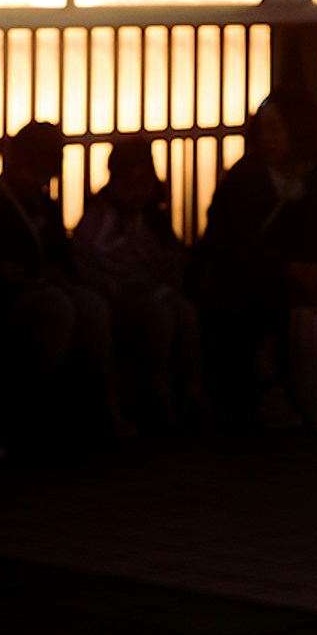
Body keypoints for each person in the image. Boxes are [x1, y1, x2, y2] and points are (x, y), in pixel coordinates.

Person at [194, 86, 317, 429]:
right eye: (262, 130)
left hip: (316, 276)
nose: (268, 139)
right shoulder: (242, 180)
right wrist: (288, 267)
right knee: (246, 306)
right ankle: (266, 391)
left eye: (277, 129)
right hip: (255, 277)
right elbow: (226, 243)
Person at [0, 119, 122, 441]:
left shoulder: (41, 201)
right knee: (59, 308)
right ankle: (39, 407)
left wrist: (55, 273)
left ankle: (99, 408)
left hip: (42, 290)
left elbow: (61, 256)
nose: (40, 179)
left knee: (91, 304)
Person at [73, 134, 206, 427]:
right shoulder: (101, 219)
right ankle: (161, 397)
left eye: (144, 185)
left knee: (185, 313)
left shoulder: (152, 219)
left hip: (155, 292)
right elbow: (90, 261)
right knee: (161, 316)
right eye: (131, 185)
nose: (138, 193)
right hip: (118, 299)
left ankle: (193, 393)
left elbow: (172, 259)